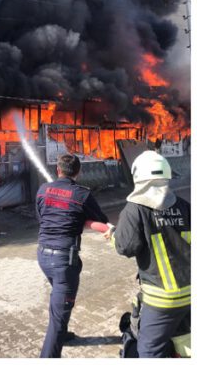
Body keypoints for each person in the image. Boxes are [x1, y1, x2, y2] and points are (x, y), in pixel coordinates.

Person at [114, 150, 190, 358]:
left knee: (149, 350)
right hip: (191, 292)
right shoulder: (184, 206)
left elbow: (125, 247)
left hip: (161, 300)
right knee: (184, 342)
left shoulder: (135, 210)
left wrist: (112, 234)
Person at [35, 153, 112, 358]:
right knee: (59, 313)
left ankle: (62, 332)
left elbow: (41, 216)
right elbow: (101, 219)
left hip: (43, 256)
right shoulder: (82, 195)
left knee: (59, 302)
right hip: (64, 262)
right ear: (78, 172)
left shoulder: (43, 190)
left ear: (58, 170)